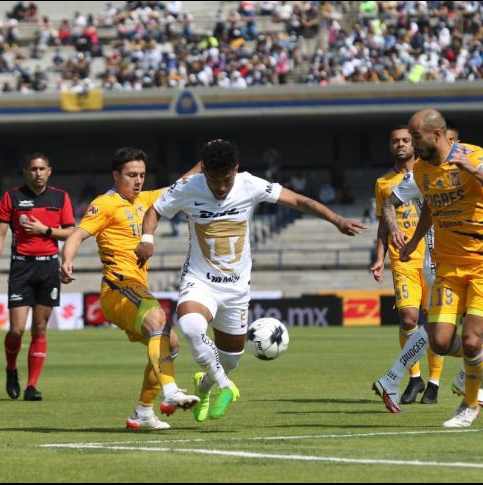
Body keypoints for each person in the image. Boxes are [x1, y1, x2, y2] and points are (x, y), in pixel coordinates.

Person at [135, 139, 365, 421]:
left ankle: (205, 386)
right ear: (203, 171)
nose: (220, 187)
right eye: (214, 180)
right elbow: (154, 210)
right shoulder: (187, 187)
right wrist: (147, 238)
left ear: (236, 169)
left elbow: (298, 200)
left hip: (236, 289)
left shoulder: (250, 184)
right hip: (199, 280)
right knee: (192, 327)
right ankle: (224, 385)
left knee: (230, 359)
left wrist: (336, 219)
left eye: (226, 179)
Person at [374, 109, 483, 427]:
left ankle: (468, 403)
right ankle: (474, 365)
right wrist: (410, 242)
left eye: (415, 136)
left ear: (437, 134)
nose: (410, 143)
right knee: (440, 340)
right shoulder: (420, 172)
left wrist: (473, 170)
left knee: (477, 334)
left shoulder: (471, 154)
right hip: (446, 263)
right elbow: (429, 209)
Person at [60, 147, 202, 430]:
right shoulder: (105, 204)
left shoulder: (146, 200)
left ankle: (143, 412)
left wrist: (204, 162)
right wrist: (66, 261)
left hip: (135, 289)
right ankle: (171, 390)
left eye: (141, 175)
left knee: (169, 344)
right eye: (131, 175)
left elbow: (180, 186)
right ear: (116, 176)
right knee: (159, 319)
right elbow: (76, 235)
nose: (138, 181)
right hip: (117, 287)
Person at [0, 153, 76, 402]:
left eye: (42, 168)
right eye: (33, 169)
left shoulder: (61, 197)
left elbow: (71, 231)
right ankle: (11, 369)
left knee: (39, 329)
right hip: (21, 268)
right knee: (16, 330)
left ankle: (31, 385)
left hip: (48, 268)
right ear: (26, 172)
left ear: (49, 171)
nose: (38, 173)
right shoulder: (12, 197)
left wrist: (44, 231)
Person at [370, 126, 444, 406]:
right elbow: (382, 222)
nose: (400, 145)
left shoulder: (429, 173)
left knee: (436, 322)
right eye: (394, 141)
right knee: (409, 320)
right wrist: (379, 257)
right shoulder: (383, 183)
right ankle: (414, 376)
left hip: (435, 257)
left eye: (404, 140)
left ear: (414, 144)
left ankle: (434, 383)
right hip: (403, 260)